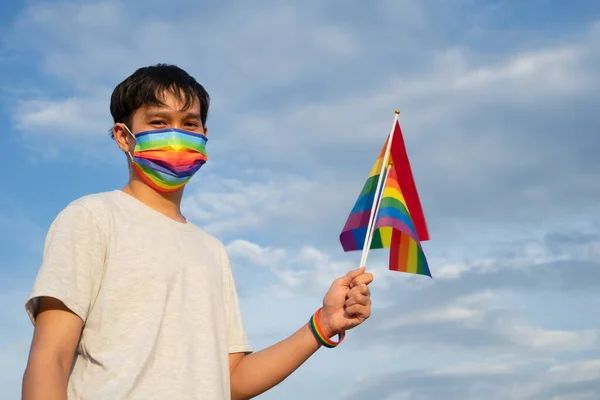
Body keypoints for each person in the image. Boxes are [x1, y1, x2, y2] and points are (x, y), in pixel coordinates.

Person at [21, 64, 373, 400]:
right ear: (122, 136)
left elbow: (230, 380)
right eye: (159, 121)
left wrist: (323, 325)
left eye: (189, 124)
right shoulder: (92, 218)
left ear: (204, 136)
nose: (176, 135)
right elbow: (50, 358)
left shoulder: (212, 250)